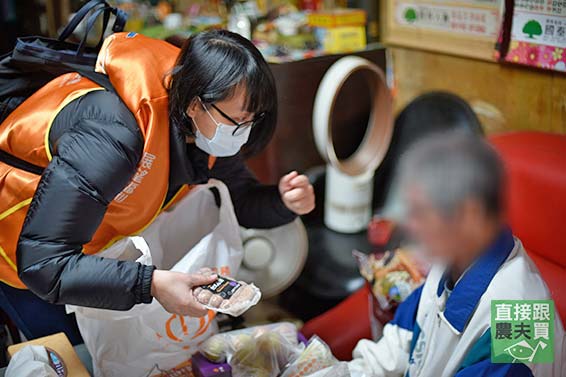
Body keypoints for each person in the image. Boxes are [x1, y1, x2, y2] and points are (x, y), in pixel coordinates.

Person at [0, 30, 314, 344]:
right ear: (196, 104)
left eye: (253, 120)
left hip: (85, 254)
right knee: (69, 353)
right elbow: (42, 265)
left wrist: (284, 202)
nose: (243, 132)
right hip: (20, 254)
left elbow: (240, 198)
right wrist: (151, 284)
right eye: (238, 120)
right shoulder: (110, 139)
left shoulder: (203, 130)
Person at [336, 132, 564, 376]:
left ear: (470, 215)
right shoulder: (452, 261)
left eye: (421, 212)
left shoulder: (522, 322)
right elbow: (400, 344)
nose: (410, 225)